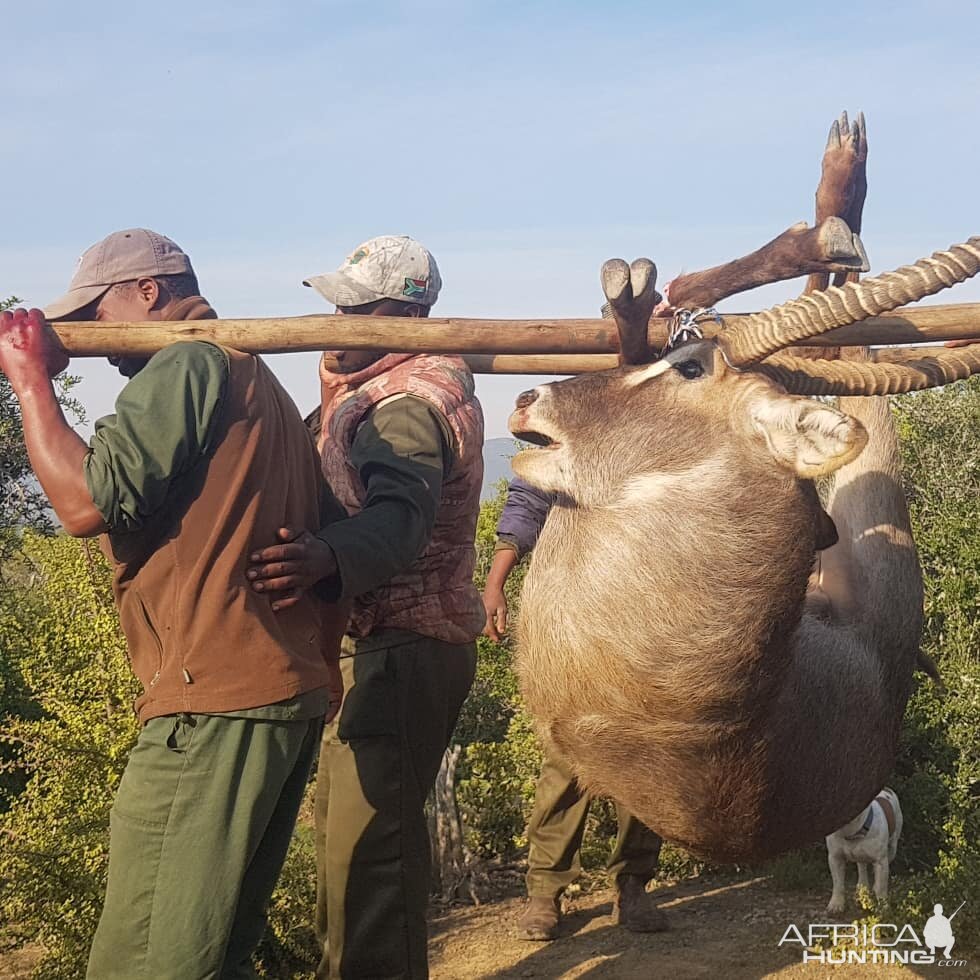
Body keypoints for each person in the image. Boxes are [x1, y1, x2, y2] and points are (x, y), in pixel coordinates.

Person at [0, 228, 348, 980]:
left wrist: (31, 383)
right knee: (215, 948)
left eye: (95, 314)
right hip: (279, 699)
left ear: (148, 294)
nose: (97, 338)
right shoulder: (259, 384)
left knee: (151, 954)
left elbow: (86, 503)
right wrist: (326, 661)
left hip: (209, 705)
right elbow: (329, 546)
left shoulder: (189, 361)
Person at [247, 235, 486, 979]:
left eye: (354, 307)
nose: (335, 320)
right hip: (392, 642)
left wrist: (326, 558)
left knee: (371, 851)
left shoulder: (409, 405)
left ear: (401, 313)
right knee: (348, 838)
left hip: (404, 643)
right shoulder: (378, 389)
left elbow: (400, 516)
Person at [483, 476, 670, 941]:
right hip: (576, 614)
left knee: (645, 754)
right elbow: (529, 498)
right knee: (567, 755)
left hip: (652, 614)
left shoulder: (663, 418)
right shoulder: (571, 415)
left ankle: (634, 883)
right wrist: (496, 581)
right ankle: (545, 891)